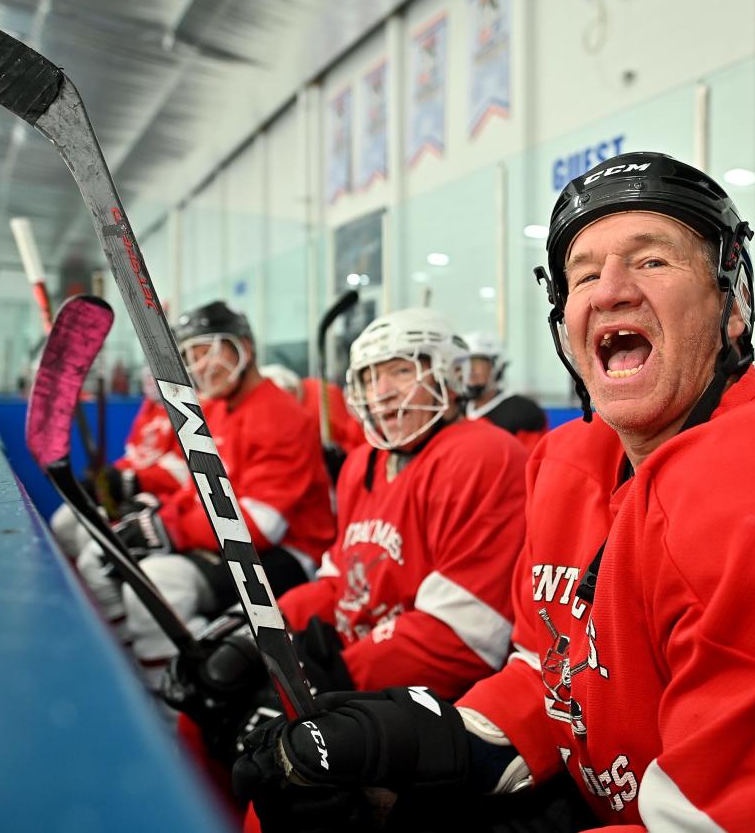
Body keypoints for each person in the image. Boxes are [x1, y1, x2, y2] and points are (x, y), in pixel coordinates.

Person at [231, 152, 755, 832]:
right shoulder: (567, 463)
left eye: (652, 258)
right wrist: (437, 738)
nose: (610, 288)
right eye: (583, 273)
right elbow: (555, 676)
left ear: (733, 306)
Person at [168, 307, 528, 776]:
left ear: (451, 375)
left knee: (279, 782)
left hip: (432, 697)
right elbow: (339, 582)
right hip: (361, 660)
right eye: (371, 376)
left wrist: (325, 680)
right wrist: (258, 631)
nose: (383, 392)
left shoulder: (485, 455)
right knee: (206, 718)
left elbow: (462, 638)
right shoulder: (363, 463)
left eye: (402, 370)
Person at [77, 300, 336, 687]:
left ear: (244, 348)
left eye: (208, 351)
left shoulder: (280, 415)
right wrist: (159, 518)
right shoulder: (214, 408)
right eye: (191, 355)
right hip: (228, 535)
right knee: (101, 557)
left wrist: (172, 530)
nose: (200, 365)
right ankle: (141, 670)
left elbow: (260, 526)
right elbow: (196, 489)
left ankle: (180, 702)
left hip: (290, 551)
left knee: (159, 581)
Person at [48, 366, 187, 560]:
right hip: (134, 493)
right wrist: (110, 475)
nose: (149, 381)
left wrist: (128, 480)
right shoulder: (149, 407)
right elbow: (134, 455)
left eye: (154, 374)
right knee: (62, 523)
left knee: (86, 537)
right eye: (147, 375)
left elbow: (181, 473)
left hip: (155, 499)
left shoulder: (192, 409)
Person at [460, 331, 548, 452]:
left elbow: (531, 463)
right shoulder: (455, 407)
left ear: (497, 366)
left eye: (476, 362)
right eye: (464, 363)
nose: (469, 370)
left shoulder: (523, 412)